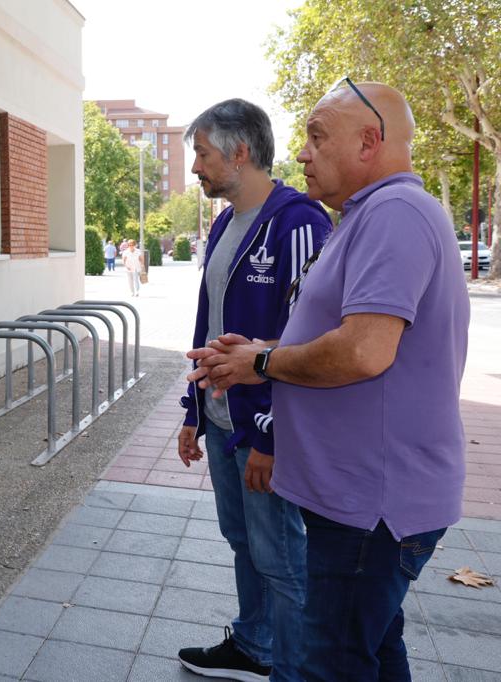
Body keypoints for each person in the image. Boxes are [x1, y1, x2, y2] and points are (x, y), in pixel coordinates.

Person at [188, 82, 469, 680]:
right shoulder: (369, 215)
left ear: (369, 142)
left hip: (371, 507)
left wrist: (261, 365)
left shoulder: (394, 214)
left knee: (330, 663)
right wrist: (262, 351)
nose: (302, 152)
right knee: (372, 653)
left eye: (317, 138)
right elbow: (333, 333)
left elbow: (364, 350)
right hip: (361, 502)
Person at [175, 99, 332, 682]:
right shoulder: (223, 224)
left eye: (202, 154)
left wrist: (272, 436)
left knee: (282, 559)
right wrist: (193, 411)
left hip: (263, 428)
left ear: (240, 152)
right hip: (222, 420)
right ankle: (253, 646)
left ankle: (295, 669)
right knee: (243, 541)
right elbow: (209, 324)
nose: (196, 167)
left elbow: (307, 342)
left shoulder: (299, 223)